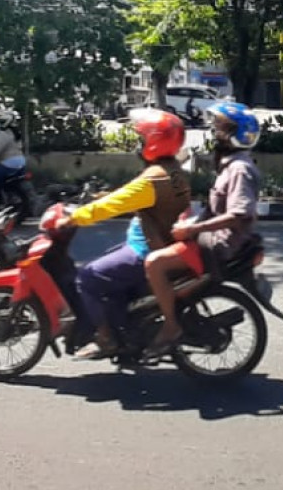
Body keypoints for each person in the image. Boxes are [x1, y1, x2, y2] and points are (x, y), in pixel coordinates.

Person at [59, 109, 191, 360]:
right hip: (155, 240)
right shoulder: (170, 169)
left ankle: (105, 337)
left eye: (142, 139)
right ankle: (126, 325)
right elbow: (127, 195)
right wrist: (98, 196)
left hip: (147, 249)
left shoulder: (154, 180)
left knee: (88, 276)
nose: (138, 145)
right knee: (107, 266)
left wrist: (74, 217)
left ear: (154, 141)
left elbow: (114, 205)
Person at [142, 101, 262, 358]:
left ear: (236, 134)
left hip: (218, 244)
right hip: (211, 236)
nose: (214, 131)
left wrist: (194, 228)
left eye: (221, 127)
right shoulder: (230, 164)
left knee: (154, 263)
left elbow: (239, 215)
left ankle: (172, 327)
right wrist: (190, 221)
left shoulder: (240, 169)